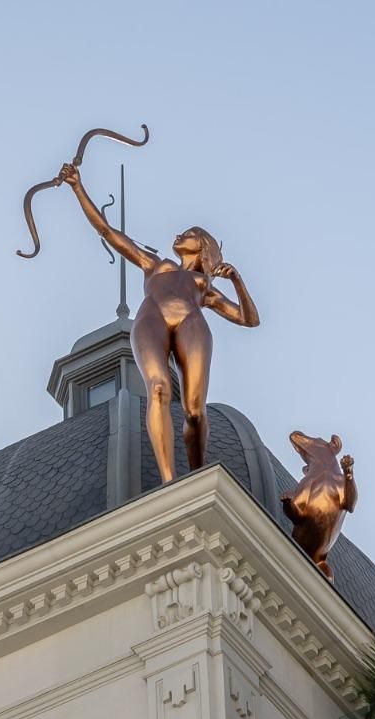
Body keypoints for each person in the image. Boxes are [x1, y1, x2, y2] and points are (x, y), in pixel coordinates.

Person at [59, 162, 259, 483]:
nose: (179, 235)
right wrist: (77, 187)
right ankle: (169, 481)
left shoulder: (204, 287)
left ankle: (196, 476)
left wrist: (236, 280)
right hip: (152, 316)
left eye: (189, 234)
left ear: (202, 246)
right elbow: (108, 232)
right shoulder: (156, 264)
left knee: (195, 410)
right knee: (158, 388)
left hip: (192, 323)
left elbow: (249, 319)